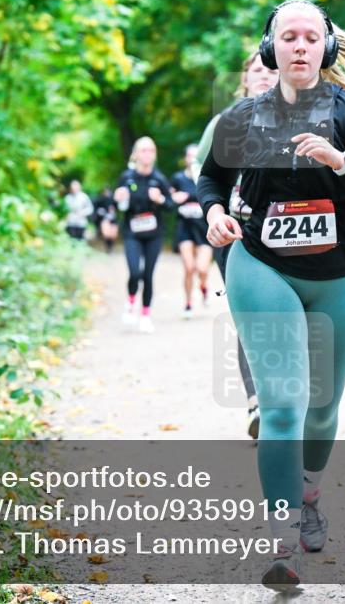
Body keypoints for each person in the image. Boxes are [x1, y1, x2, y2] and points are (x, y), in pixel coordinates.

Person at [198, 0, 345, 592]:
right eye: (289, 37)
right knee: (283, 405)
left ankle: (310, 491)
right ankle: (281, 538)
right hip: (263, 267)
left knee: (322, 408)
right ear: (272, 48)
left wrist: (342, 163)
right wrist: (214, 211)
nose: (301, 46)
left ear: (327, 49)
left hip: (342, 276)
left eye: (312, 37)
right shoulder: (243, 116)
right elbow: (211, 177)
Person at [196, 50, 279, 439]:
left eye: (270, 70)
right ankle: (258, 402)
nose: (264, 76)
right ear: (244, 79)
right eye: (257, 70)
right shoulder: (223, 123)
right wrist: (218, 213)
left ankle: (290, 400)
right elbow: (205, 177)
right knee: (251, 318)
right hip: (233, 232)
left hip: (280, 230)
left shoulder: (296, 118)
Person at [114, 137, 173, 334]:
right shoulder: (126, 177)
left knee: (148, 275)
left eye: (151, 150)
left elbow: (171, 205)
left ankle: (145, 315)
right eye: (143, 150)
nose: (147, 154)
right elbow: (116, 206)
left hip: (154, 234)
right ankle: (130, 302)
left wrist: (161, 199)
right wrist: (118, 200)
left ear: (154, 155)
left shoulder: (159, 179)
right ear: (136, 154)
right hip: (132, 232)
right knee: (134, 272)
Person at [170, 144, 213, 318]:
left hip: (203, 228)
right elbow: (168, 200)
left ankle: (203, 287)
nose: (192, 159)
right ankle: (188, 304)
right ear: (185, 158)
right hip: (185, 228)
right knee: (189, 268)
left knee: (201, 269)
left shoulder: (206, 178)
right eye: (189, 156)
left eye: (196, 156)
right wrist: (173, 199)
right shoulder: (178, 179)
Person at [92, 186, 118, 254]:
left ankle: (111, 248)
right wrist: (100, 211)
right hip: (105, 219)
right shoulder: (100, 200)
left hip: (113, 220)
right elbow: (96, 207)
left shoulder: (114, 199)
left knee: (113, 235)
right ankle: (108, 248)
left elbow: (118, 207)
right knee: (107, 235)